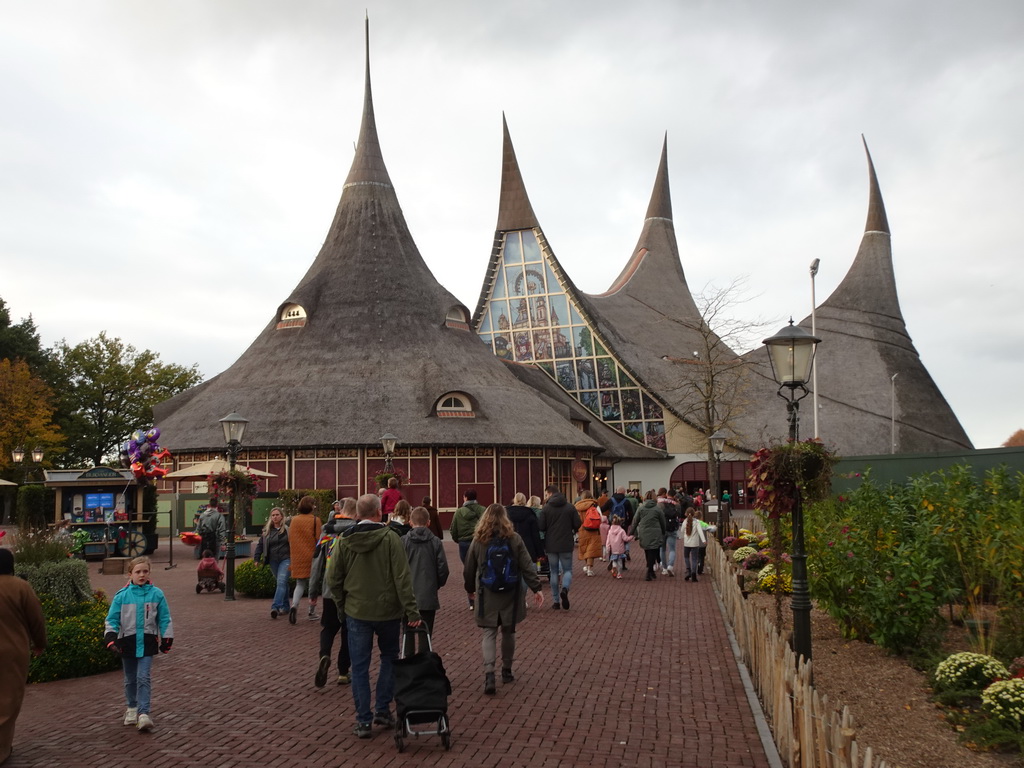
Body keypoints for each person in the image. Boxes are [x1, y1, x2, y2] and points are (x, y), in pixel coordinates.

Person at [326, 493, 422, 739]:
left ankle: (363, 721)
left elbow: (333, 578)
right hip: (388, 611)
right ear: (379, 512)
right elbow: (402, 577)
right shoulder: (391, 538)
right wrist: (411, 609)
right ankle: (382, 710)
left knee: (359, 667)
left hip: (356, 611)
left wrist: (342, 604)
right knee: (389, 658)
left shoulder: (344, 541)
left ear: (358, 514)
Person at [463, 503, 544, 694]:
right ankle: (506, 670)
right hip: (510, 592)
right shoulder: (514, 539)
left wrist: (469, 589)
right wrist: (536, 588)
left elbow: (469, 568)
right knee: (509, 631)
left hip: (487, 593)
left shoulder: (479, 540)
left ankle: (489, 673)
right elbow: (526, 565)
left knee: (489, 633)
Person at [103, 556, 173, 733]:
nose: (142, 575)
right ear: (130, 574)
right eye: (138, 571)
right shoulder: (122, 596)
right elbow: (112, 619)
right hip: (128, 642)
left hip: (147, 642)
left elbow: (164, 618)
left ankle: (144, 713)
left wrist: (167, 637)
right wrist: (111, 638)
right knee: (130, 679)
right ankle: (132, 708)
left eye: (145, 571)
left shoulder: (157, 594)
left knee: (143, 677)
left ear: (149, 573)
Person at [0, 548, 46, 764]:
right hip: (12, 652)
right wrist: (40, 643)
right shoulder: (20, 587)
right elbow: (36, 618)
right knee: (7, 701)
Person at [311, 497, 357, 688]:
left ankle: (325, 655)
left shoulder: (326, 534)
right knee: (348, 631)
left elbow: (316, 564)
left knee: (328, 627)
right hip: (351, 590)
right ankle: (343, 672)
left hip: (329, 590)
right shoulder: (357, 533)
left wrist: (313, 589)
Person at [403, 506, 449, 635]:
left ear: (410, 522)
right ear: (428, 522)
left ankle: (408, 654)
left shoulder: (404, 541)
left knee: (407, 633)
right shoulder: (435, 542)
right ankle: (425, 653)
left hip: (407, 594)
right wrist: (435, 583)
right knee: (426, 631)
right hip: (428, 593)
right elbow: (443, 568)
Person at [538, 484, 580, 610]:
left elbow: (541, 527)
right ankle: (565, 589)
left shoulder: (546, 509)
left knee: (554, 571)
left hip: (551, 544)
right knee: (567, 570)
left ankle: (556, 601)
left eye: (546, 494)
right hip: (566, 543)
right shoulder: (570, 507)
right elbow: (577, 523)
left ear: (550, 494)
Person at [287, 496, 322, 624]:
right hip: (312, 556)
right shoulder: (315, 520)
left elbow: (290, 537)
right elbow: (319, 539)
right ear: (311, 506)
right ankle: (311, 611)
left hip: (297, 556)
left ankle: (294, 605)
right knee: (313, 584)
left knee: (300, 584)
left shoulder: (294, 520)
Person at [450, 490, 486, 608]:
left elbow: (453, 529)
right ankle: (483, 597)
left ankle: (471, 601)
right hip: (480, 541)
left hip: (464, 543)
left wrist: (459, 540)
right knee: (482, 568)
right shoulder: (482, 510)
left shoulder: (459, 512)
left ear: (465, 497)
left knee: (468, 570)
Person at [253, 507, 290, 619]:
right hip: (273, 560)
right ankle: (286, 606)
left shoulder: (287, 529)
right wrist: (256, 558)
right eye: (273, 515)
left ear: (282, 516)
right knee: (283, 583)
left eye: (277, 515)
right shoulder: (267, 531)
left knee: (281, 581)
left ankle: (275, 606)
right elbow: (260, 545)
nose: (275, 517)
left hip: (286, 559)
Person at [629, 491, 666, 582]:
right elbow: (663, 522)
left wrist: (631, 532)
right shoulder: (657, 509)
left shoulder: (641, 508)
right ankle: (649, 571)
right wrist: (663, 531)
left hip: (644, 532)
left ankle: (650, 570)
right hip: (655, 532)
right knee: (653, 551)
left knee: (647, 551)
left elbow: (635, 521)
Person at [506, 492, 543, 567]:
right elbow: (535, 535)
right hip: (529, 547)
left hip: (510, 547)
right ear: (525, 501)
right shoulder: (530, 514)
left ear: (514, 500)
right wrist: (540, 553)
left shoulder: (506, 513)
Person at [575, 495, 603, 576]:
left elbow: (576, 520)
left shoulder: (578, 507)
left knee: (585, 548)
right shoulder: (594, 505)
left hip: (582, 530)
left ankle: (587, 567)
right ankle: (589, 569)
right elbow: (600, 517)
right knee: (591, 550)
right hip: (593, 530)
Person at [679, 507, 707, 582]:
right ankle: (694, 573)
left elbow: (681, 530)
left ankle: (688, 570)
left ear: (686, 513)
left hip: (687, 543)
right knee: (694, 558)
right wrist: (704, 540)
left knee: (686, 557)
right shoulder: (697, 522)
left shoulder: (685, 521)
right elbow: (700, 532)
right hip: (695, 543)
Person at [658, 488, 680, 576]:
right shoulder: (676, 505)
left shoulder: (661, 504)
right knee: (672, 549)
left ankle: (664, 568)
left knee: (662, 549)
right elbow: (679, 516)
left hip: (663, 528)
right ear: (674, 496)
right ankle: (670, 566)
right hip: (672, 528)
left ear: (667, 494)